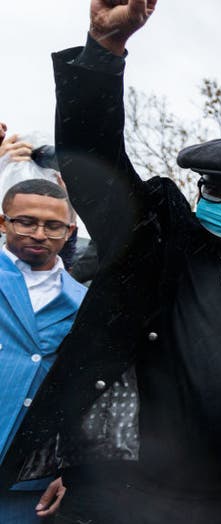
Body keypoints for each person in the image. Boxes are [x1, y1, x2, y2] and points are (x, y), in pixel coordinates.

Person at [0, 2, 221, 522]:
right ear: (198, 188)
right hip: (123, 487)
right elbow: (95, 158)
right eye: (217, 188)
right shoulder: (152, 240)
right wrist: (105, 50)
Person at [0, 180, 86, 522]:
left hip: (29, 483)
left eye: (52, 226)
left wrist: (75, 469)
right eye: (25, 221)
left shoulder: (83, 302)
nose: (39, 233)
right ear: (3, 222)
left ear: (69, 231)